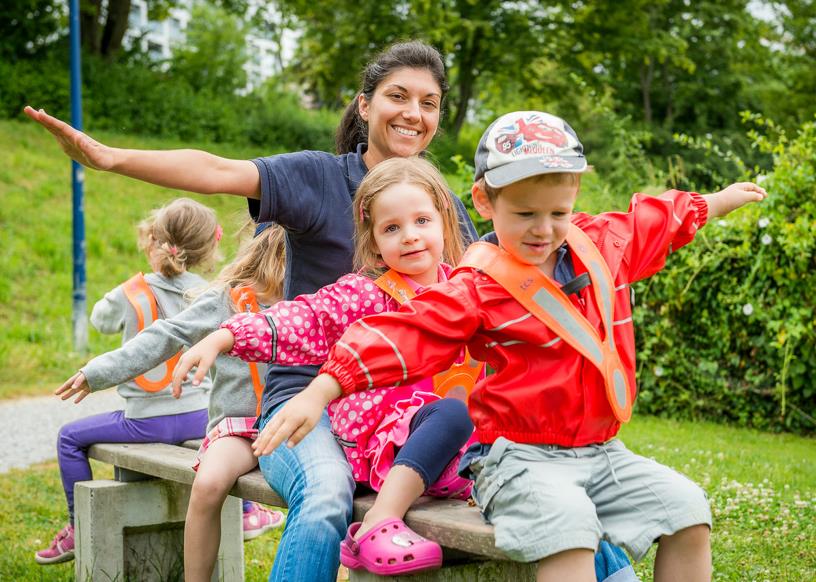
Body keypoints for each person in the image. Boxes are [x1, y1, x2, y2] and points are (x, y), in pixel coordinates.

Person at [25, 41, 479, 582]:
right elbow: (216, 169)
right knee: (326, 495)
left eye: (428, 103)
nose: (413, 113)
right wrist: (109, 158)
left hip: (408, 410)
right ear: (364, 105)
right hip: (307, 406)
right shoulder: (318, 178)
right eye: (397, 96)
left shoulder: (439, 204)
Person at [251, 110, 768, 582]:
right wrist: (323, 388)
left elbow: (649, 223)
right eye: (525, 215)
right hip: (519, 459)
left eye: (558, 213)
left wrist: (714, 202)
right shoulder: (476, 285)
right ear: (484, 202)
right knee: (569, 535)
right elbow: (406, 331)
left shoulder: (598, 245)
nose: (545, 231)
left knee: (687, 511)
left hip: (601, 452)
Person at [174, 157, 476, 576]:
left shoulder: (469, 290)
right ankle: (377, 522)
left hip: (447, 451)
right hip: (384, 442)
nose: (410, 237)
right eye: (392, 228)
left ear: (444, 219)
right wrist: (226, 335)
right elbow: (304, 318)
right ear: (373, 242)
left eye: (422, 220)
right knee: (452, 413)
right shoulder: (366, 294)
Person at [54, 222, 287, 581]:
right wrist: (97, 372)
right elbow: (167, 334)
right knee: (208, 484)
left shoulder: (312, 294)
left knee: (322, 491)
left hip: (296, 424)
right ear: (266, 256)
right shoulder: (226, 297)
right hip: (241, 426)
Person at [36, 198, 220, 565]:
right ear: (209, 247)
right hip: (200, 416)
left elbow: (100, 321)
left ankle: (75, 528)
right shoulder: (210, 291)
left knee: (68, 437)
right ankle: (247, 510)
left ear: (153, 240)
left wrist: (128, 288)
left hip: (143, 422)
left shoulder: (133, 291)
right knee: (231, 435)